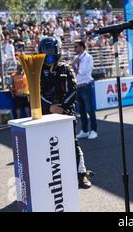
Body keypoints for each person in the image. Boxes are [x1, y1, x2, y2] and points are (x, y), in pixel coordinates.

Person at [38, 37, 93, 189]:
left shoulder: (65, 68)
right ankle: (48, 179)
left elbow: (73, 91)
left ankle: (81, 175)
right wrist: (49, 107)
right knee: (46, 147)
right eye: (45, 51)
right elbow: (35, 93)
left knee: (72, 144)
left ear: (58, 51)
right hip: (45, 116)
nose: (48, 54)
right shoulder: (36, 71)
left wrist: (61, 108)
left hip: (66, 115)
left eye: (51, 51)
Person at [72, 40, 98, 140]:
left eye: (76, 47)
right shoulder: (76, 58)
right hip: (78, 86)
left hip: (86, 86)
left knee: (90, 110)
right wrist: (74, 65)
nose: (75, 49)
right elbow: (75, 74)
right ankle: (84, 130)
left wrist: (74, 65)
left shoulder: (88, 57)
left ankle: (94, 130)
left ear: (82, 47)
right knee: (81, 111)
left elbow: (82, 72)